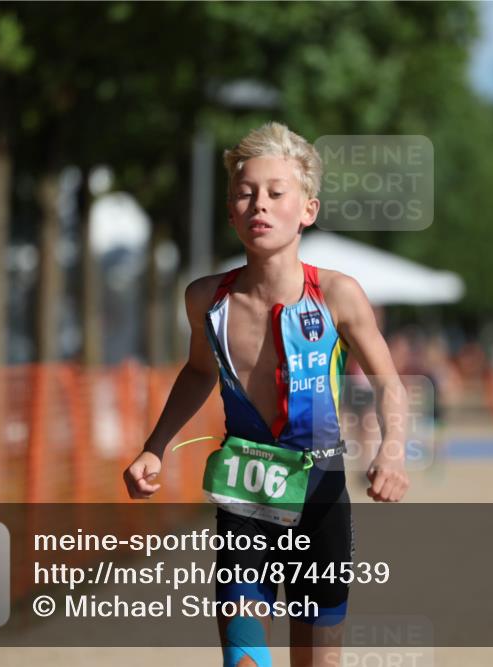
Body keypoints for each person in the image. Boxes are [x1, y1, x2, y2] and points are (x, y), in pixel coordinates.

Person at [122, 122, 410, 667]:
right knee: (244, 659)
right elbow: (198, 373)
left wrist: (391, 451)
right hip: (246, 495)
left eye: (277, 194)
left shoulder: (338, 295)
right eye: (245, 193)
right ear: (230, 212)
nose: (260, 205)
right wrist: (153, 447)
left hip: (321, 494)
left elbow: (390, 383)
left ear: (307, 210)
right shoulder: (207, 299)